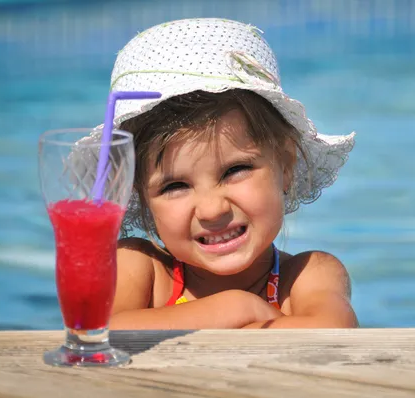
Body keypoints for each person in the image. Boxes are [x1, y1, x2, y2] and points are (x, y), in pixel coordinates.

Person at [101, 18, 357, 329]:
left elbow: (334, 332)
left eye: (235, 170)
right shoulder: (142, 268)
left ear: (285, 165)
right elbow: (100, 332)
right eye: (175, 186)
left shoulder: (306, 275)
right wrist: (237, 307)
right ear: (140, 194)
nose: (212, 209)